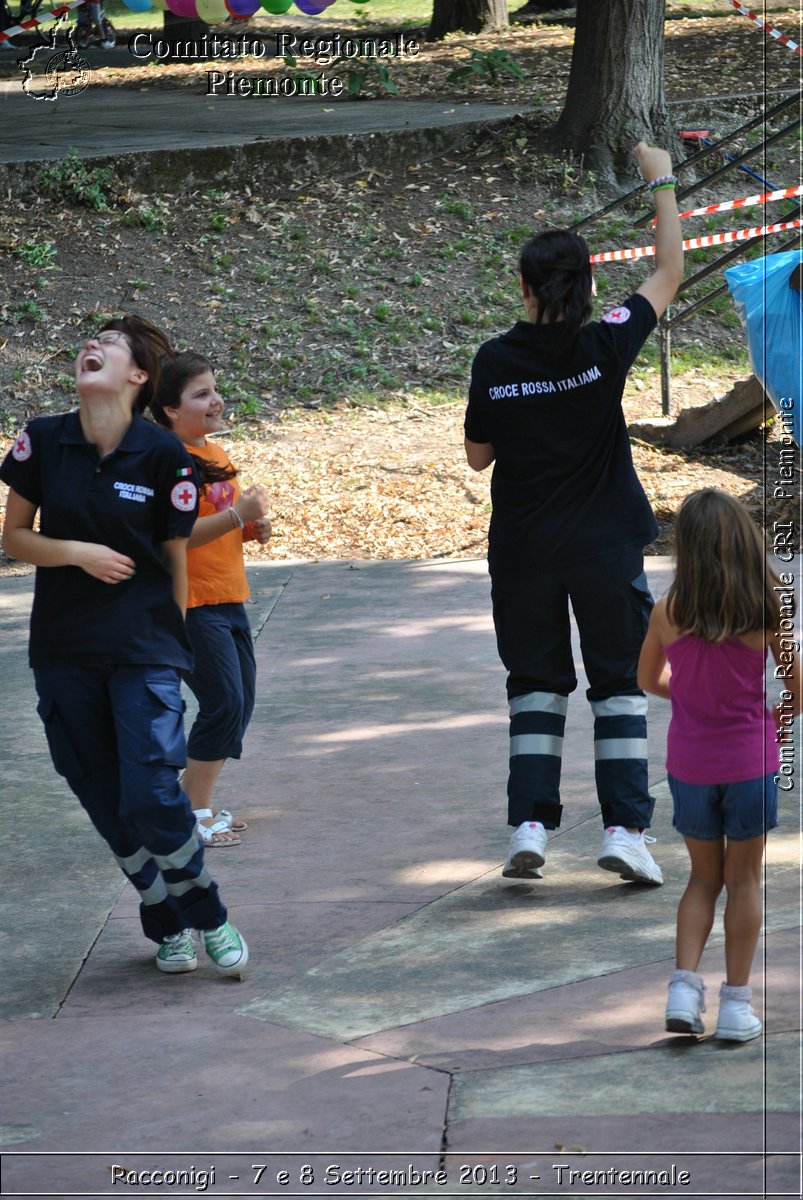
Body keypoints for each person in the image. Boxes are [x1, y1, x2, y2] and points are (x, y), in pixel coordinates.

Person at [1, 316, 248, 978]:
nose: (92, 346)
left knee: (149, 793)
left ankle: (206, 909)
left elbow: (174, 560)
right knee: (107, 804)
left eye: (108, 345)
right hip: (63, 649)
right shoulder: (42, 440)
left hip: (144, 648)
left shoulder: (163, 455)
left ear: (137, 376)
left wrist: (175, 648)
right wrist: (76, 552)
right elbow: (13, 537)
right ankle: (163, 921)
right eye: (90, 341)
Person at [464, 141, 683, 885]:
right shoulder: (605, 342)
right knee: (618, 683)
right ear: (588, 286)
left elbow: (477, 455)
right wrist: (659, 178)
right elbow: (668, 271)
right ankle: (623, 830)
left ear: (524, 289)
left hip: (522, 550)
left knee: (534, 684)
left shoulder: (495, 360)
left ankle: (529, 825)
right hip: (603, 547)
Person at [638, 489, 798, 1041]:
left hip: (690, 765)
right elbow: (797, 691)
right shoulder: (765, 609)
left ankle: (683, 989)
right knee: (745, 878)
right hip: (750, 761)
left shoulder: (668, 611)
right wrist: (774, 714)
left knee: (701, 879)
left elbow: (646, 680)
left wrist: (687, 699)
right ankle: (735, 1006)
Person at [150, 352, 271, 848]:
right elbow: (172, 536)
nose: (215, 399)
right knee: (223, 701)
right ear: (169, 410)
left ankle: (191, 803)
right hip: (191, 603)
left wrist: (248, 528)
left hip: (229, 597)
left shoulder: (213, 456)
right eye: (200, 394)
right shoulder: (169, 461)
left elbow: (215, 526)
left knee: (239, 702)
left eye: (215, 389)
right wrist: (237, 517)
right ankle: (191, 811)